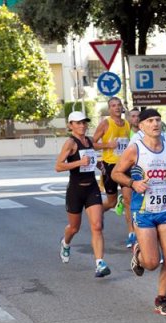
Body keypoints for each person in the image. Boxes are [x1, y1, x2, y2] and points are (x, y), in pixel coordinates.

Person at [112, 108, 166, 316]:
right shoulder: (135, 149)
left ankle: (162, 298)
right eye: (150, 120)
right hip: (143, 211)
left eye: (158, 120)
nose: (155, 124)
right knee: (151, 262)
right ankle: (138, 254)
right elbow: (116, 173)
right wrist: (133, 183)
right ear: (141, 126)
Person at [56, 111, 111, 278]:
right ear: (70, 125)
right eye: (78, 123)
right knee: (74, 228)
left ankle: (99, 263)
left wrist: (99, 165)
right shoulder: (70, 143)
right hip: (75, 189)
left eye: (84, 123)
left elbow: (91, 160)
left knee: (97, 225)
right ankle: (65, 242)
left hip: (92, 188)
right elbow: (58, 166)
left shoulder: (88, 141)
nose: (82, 126)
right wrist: (80, 162)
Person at [91, 97, 136, 248]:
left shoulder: (127, 124)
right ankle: (97, 214)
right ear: (109, 109)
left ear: (122, 107)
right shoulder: (105, 123)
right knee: (111, 202)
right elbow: (92, 144)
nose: (116, 108)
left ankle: (131, 234)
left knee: (129, 200)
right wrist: (108, 144)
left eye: (118, 105)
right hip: (109, 165)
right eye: (113, 106)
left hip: (124, 166)